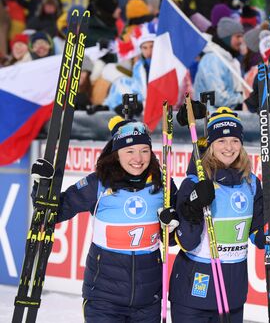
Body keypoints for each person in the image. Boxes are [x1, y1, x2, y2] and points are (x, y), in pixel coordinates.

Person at [29, 116, 178, 322]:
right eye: (130, 151)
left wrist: (171, 226)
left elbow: (173, 239)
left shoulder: (163, 184)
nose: (138, 158)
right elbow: (54, 212)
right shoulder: (98, 183)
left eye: (144, 150)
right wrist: (42, 186)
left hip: (149, 299)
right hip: (103, 299)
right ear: (117, 154)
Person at [170, 107, 270, 321]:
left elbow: (261, 238)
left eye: (234, 140)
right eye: (221, 141)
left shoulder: (251, 183)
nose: (228, 147)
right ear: (210, 145)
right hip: (193, 292)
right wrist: (194, 206)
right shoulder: (194, 183)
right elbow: (186, 241)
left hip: (233, 293)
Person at [193, 17, 246, 110]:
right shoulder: (212, 60)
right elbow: (219, 98)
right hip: (208, 120)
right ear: (227, 38)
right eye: (237, 36)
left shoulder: (231, 60)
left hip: (224, 118)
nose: (241, 40)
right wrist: (244, 98)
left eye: (242, 36)